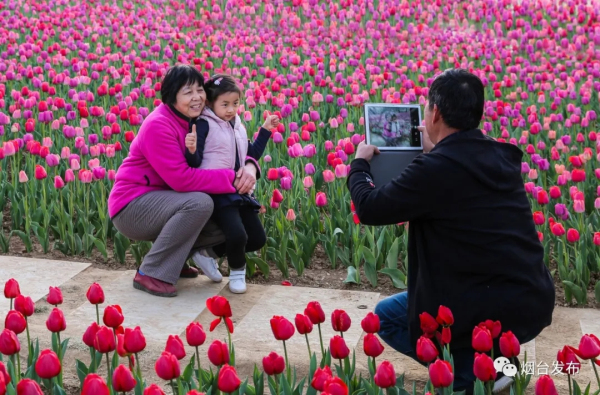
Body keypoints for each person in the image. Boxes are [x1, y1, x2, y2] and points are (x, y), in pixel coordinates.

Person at [347, 69, 555, 394]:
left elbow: (370, 208)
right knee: (400, 310)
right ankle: (497, 360)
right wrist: (438, 152)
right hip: (530, 299)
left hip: (473, 306)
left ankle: (468, 376)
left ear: (436, 113)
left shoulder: (435, 170)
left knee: (387, 318)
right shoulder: (500, 156)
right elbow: (459, 181)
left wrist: (359, 164)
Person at [108, 64, 262, 297]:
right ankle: (151, 272)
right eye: (188, 92)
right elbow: (182, 180)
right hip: (133, 205)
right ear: (172, 96)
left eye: (200, 90)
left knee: (232, 211)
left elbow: (238, 147)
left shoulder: (200, 119)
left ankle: (175, 261)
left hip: (167, 200)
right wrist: (233, 179)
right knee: (200, 203)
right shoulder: (158, 125)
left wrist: (250, 167)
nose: (197, 97)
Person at [184, 74, 276, 294]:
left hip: (238, 190)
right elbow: (195, 163)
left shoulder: (236, 126)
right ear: (210, 103)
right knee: (238, 235)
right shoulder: (204, 124)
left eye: (235, 104)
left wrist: (265, 131)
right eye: (224, 104)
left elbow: (249, 154)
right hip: (216, 190)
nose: (231, 109)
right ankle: (236, 273)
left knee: (257, 238)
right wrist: (192, 150)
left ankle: (206, 254)